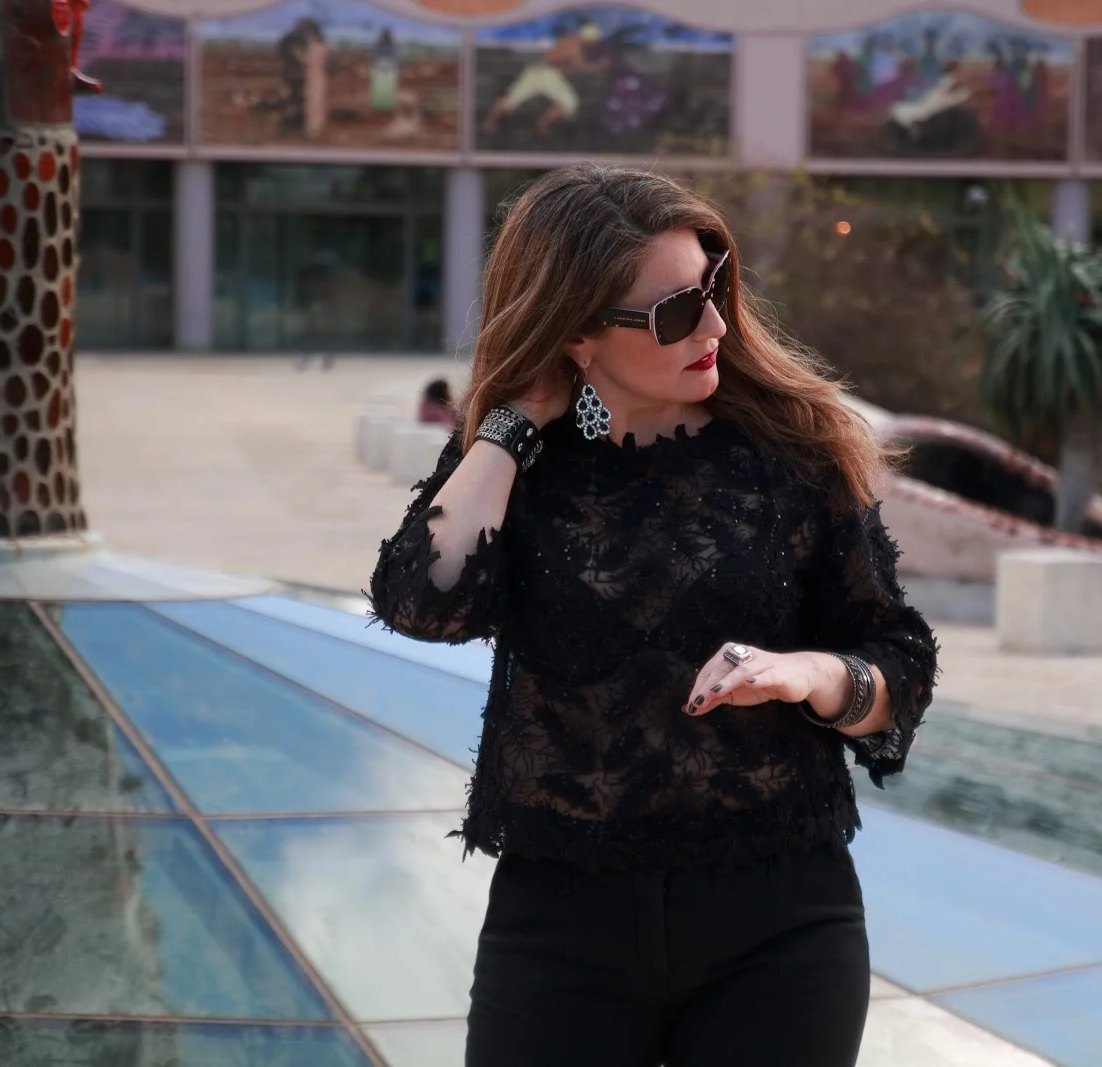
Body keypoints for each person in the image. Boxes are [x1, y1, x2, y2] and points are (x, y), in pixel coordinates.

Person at [370, 165, 938, 1067]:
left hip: (781, 924)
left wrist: (807, 674)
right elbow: (424, 604)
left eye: (715, 287)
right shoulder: (520, 464)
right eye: (677, 312)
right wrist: (513, 421)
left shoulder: (797, 451)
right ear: (577, 331)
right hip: (559, 926)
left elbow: (898, 667)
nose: (715, 326)